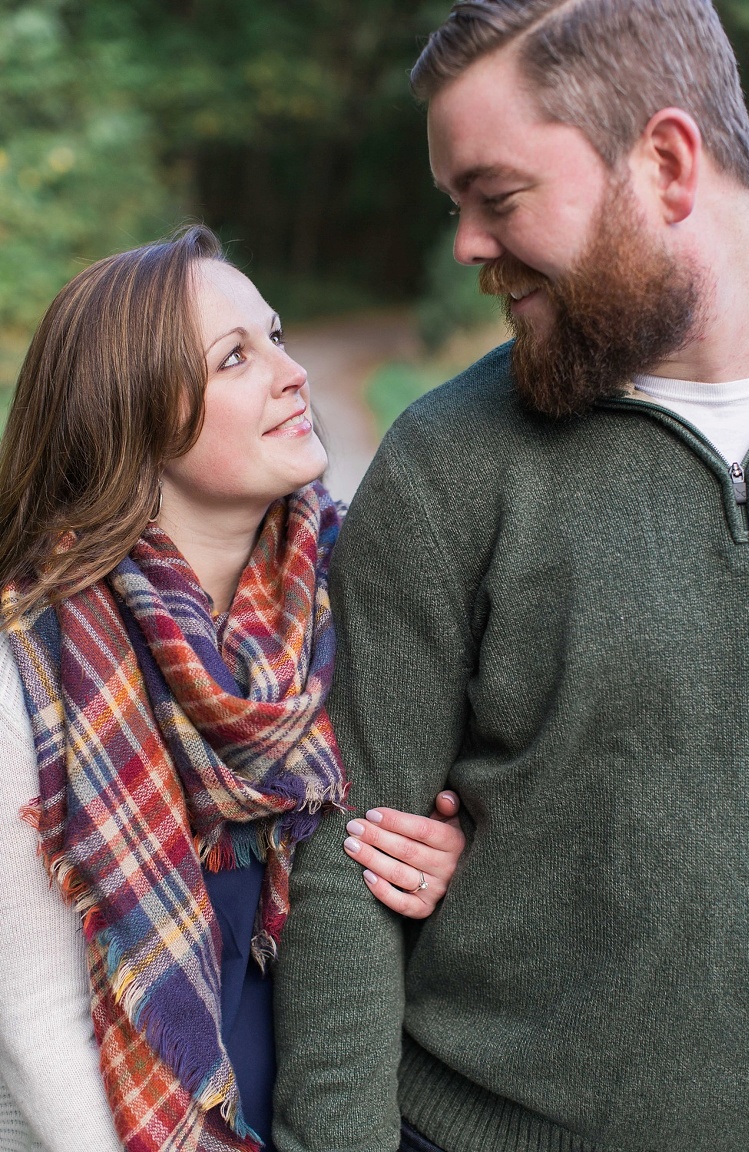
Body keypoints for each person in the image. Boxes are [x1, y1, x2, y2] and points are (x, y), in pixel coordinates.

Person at [271, 1, 749, 1150]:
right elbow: (344, 856)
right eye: (456, 206)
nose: (466, 247)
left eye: (495, 197)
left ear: (666, 163)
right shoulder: (447, 459)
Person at [0, 224, 466, 1152]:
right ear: (129, 410)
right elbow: (38, 1018)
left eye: (279, 337)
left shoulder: (356, 595)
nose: (293, 374)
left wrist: (451, 862)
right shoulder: (35, 664)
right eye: (236, 358)